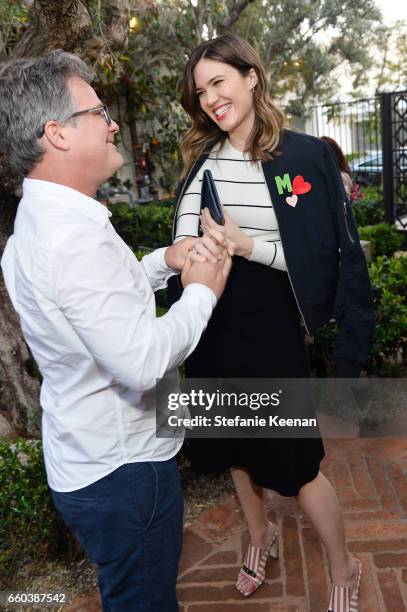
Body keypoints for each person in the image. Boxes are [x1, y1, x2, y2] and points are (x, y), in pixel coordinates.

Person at [0, 51, 232, 612]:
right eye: (98, 111)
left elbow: (98, 304)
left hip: (89, 458)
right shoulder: (69, 239)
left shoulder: (47, 221)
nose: (110, 123)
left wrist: (162, 262)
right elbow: (141, 360)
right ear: (56, 133)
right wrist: (204, 288)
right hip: (125, 472)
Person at [171, 33, 374, 611]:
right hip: (211, 323)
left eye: (220, 82)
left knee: (296, 464)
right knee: (234, 447)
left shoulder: (305, 156)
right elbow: (182, 238)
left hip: (271, 323)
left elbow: (322, 262)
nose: (211, 99)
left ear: (252, 78)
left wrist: (247, 245)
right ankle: (258, 537)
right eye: (201, 90)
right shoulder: (202, 158)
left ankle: (344, 565)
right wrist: (188, 249)